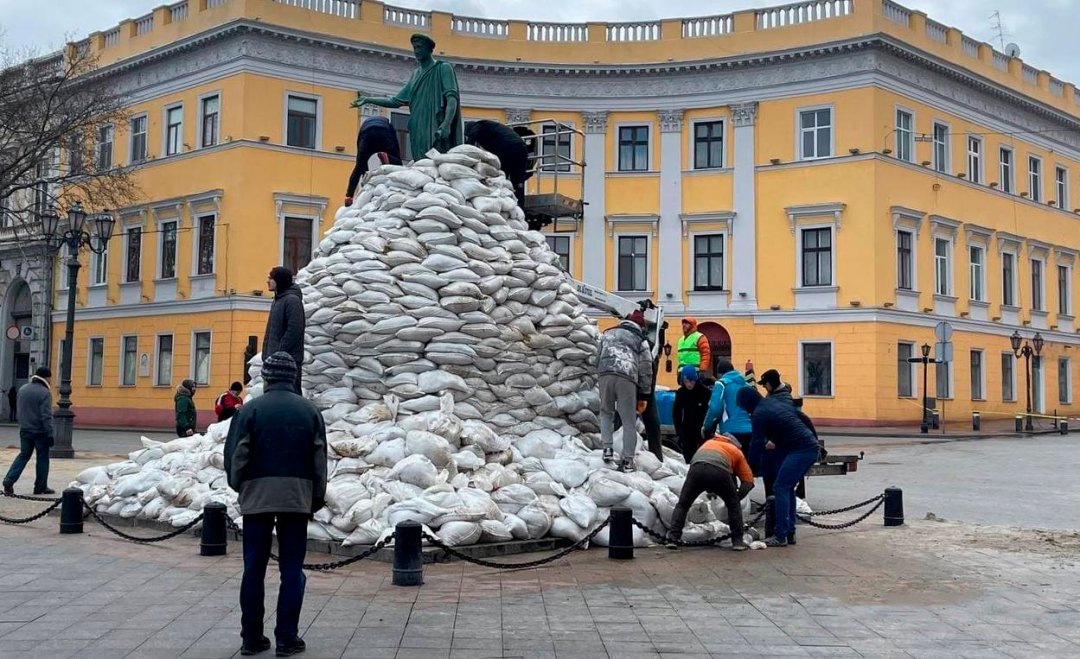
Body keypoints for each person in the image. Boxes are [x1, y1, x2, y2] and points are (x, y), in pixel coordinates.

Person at [225, 352, 327, 657]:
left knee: (253, 568)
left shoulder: (249, 410)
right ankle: (286, 638)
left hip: (257, 496)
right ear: (293, 377)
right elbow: (319, 461)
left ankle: (251, 638)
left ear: (267, 378)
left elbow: (235, 456)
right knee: (292, 569)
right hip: (296, 497)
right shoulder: (310, 411)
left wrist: (241, 486)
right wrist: (315, 497)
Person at [351, 33, 462, 158]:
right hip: (417, 126)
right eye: (415, 48)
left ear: (430, 49)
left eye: (420, 47)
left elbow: (452, 99)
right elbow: (395, 101)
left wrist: (446, 124)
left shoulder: (443, 68)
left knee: (437, 160)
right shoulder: (416, 75)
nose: (416, 51)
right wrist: (368, 99)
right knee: (420, 161)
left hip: (435, 124)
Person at [736, 387, 820, 547]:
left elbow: (756, 443)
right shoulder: (774, 403)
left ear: (748, 403)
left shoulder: (759, 413)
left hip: (801, 449)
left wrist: (749, 470)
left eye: (743, 407)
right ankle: (789, 532)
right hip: (806, 446)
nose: (745, 411)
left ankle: (780, 535)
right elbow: (804, 418)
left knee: (780, 487)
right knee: (787, 488)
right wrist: (815, 440)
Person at [666, 433, 753, 551]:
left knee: (683, 504)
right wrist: (736, 497)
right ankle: (737, 541)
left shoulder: (707, 444)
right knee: (734, 506)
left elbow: (703, 466)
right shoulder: (736, 450)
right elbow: (748, 482)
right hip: (719, 471)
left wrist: (711, 488)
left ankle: (673, 539)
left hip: (695, 471)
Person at [596, 309, 653, 472]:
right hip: (627, 376)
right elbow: (646, 368)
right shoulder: (640, 340)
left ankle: (607, 449)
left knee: (606, 413)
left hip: (605, 373)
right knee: (628, 420)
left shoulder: (608, 333)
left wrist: (602, 372)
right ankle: (628, 460)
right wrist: (644, 394)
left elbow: (597, 357)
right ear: (640, 326)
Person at [464, 119, 535, 215]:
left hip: (507, 150)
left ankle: (504, 207)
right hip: (521, 148)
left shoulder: (478, 126)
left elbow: (469, 146)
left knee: (499, 178)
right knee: (518, 182)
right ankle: (520, 211)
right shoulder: (491, 127)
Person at [2, 367, 54, 495]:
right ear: (46, 377)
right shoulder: (44, 392)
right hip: (40, 431)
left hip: (25, 429)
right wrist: (50, 433)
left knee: (23, 455)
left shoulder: (23, 389)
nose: (50, 380)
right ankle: (40, 486)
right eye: (50, 378)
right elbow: (46, 416)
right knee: (42, 457)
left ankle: (9, 480)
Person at [263, 266, 306, 395]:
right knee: (272, 396)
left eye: (271, 278)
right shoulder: (277, 300)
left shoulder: (292, 300)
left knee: (289, 395)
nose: (268, 281)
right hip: (274, 361)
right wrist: (267, 355)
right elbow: (271, 332)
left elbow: (295, 329)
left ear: (279, 280)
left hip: (287, 363)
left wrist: (279, 352)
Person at [344, 115, 403, 207]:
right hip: (383, 132)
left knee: (359, 167)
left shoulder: (363, 126)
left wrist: (350, 194)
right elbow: (395, 142)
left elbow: (359, 144)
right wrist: (396, 158)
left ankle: (348, 196)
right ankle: (387, 156)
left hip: (366, 135)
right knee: (396, 161)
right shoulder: (388, 123)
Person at [702, 359, 754, 457]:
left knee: (732, 462)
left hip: (730, 431)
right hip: (749, 430)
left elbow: (714, 409)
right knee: (746, 463)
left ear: (720, 373)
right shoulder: (746, 385)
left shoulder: (721, 384)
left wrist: (706, 426)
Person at [672, 366, 710, 463]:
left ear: (695, 379)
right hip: (687, 431)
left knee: (702, 457)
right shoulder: (681, 393)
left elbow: (709, 412)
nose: (689, 384)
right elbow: (676, 413)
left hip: (701, 431)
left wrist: (707, 429)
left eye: (691, 381)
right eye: (686, 381)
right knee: (688, 458)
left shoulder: (705, 392)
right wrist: (679, 432)